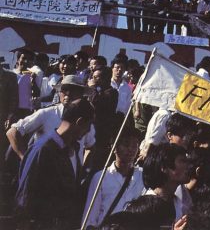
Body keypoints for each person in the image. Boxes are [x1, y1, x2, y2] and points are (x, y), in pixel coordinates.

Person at [15, 98, 95, 230]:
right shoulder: (42, 150)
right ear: (79, 122)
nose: (88, 131)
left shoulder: (74, 149)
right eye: (89, 125)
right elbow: (24, 198)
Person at [82, 126, 145, 228]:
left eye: (134, 145)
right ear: (114, 147)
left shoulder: (143, 176)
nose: (130, 149)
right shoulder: (100, 177)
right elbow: (90, 217)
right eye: (126, 144)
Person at [141, 143, 192, 221]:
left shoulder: (178, 204)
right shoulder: (144, 208)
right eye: (182, 161)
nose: (188, 166)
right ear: (164, 167)